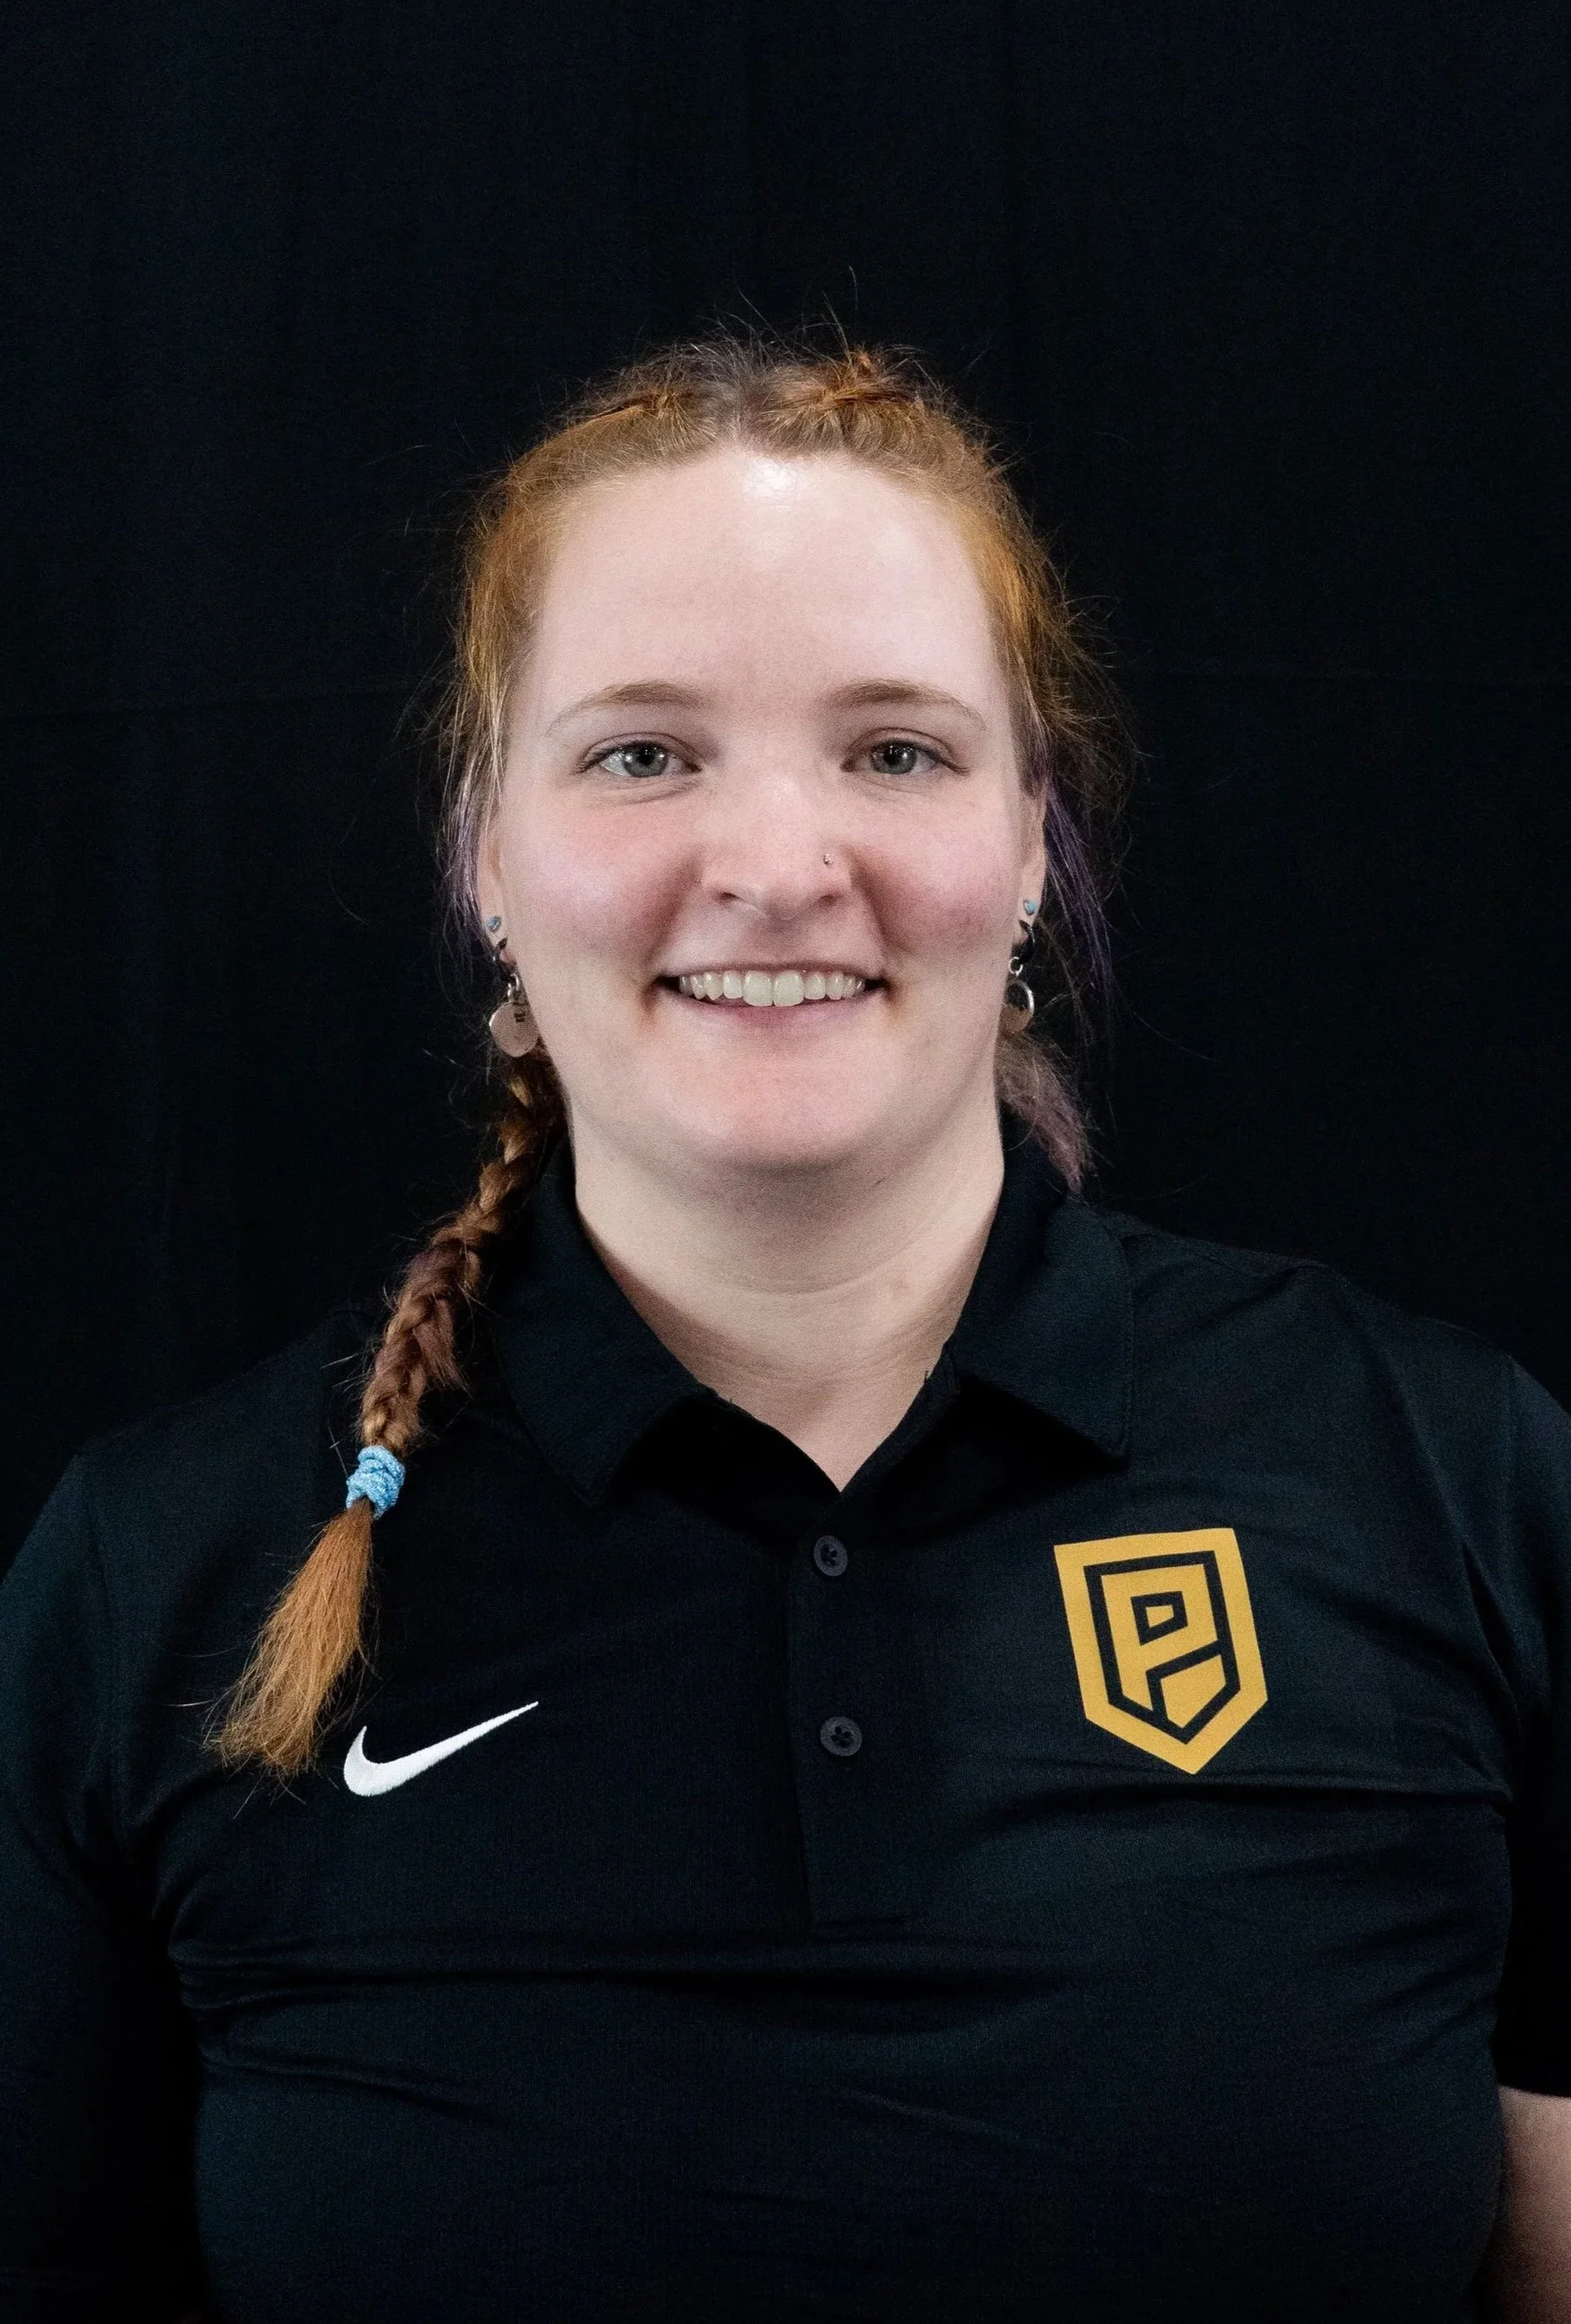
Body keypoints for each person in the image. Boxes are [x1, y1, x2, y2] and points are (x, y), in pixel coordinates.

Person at [0, 338, 1567, 2324]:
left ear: (1033, 842)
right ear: (487, 852)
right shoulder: (163, 1572)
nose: (773, 868)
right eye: (642, 754)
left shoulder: (1446, 1478)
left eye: (895, 752)